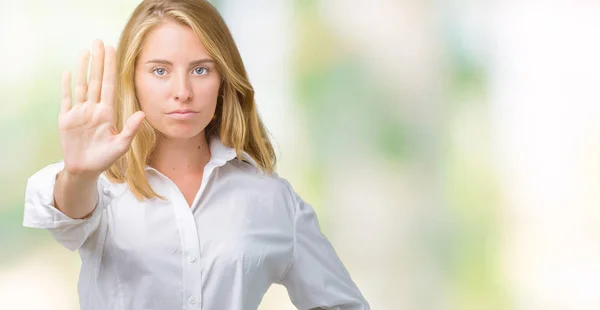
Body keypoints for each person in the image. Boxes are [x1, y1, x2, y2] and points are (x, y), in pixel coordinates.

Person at [22, 0, 369, 309]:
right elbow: (68, 217)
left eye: (201, 69)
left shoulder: (271, 199)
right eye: (160, 71)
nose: (182, 92)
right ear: (133, 79)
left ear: (223, 80)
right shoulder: (102, 186)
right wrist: (79, 174)